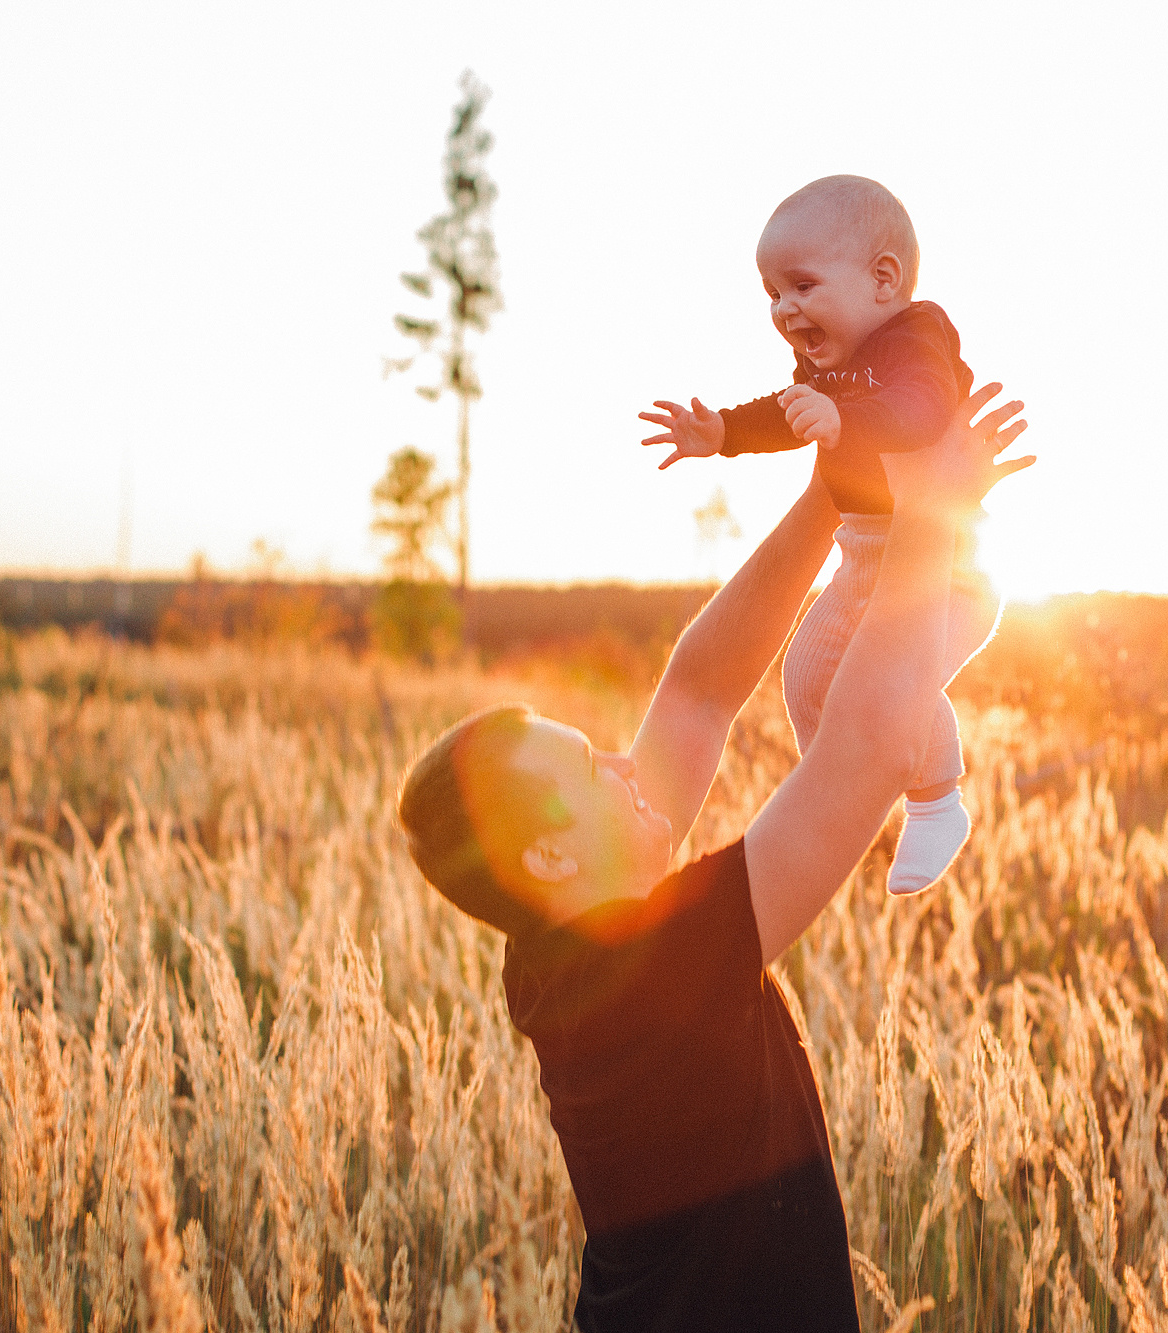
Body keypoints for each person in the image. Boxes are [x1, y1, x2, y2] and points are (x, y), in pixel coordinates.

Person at [398, 387, 1033, 1330]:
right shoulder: (658, 974)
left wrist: (835, 490)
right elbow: (864, 740)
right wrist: (929, 509)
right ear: (550, 853)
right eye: (593, 769)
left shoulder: (557, 952)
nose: (627, 764)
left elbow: (699, 691)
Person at [640, 174, 996, 896]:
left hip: (944, 570)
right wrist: (724, 433)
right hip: (863, 561)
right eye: (771, 293)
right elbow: (789, 408)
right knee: (806, 675)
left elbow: (922, 411)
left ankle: (937, 801)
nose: (783, 308)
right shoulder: (826, 365)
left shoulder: (917, 336)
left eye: (800, 285)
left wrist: (846, 424)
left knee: (896, 683)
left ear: (883, 279)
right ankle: (839, 796)